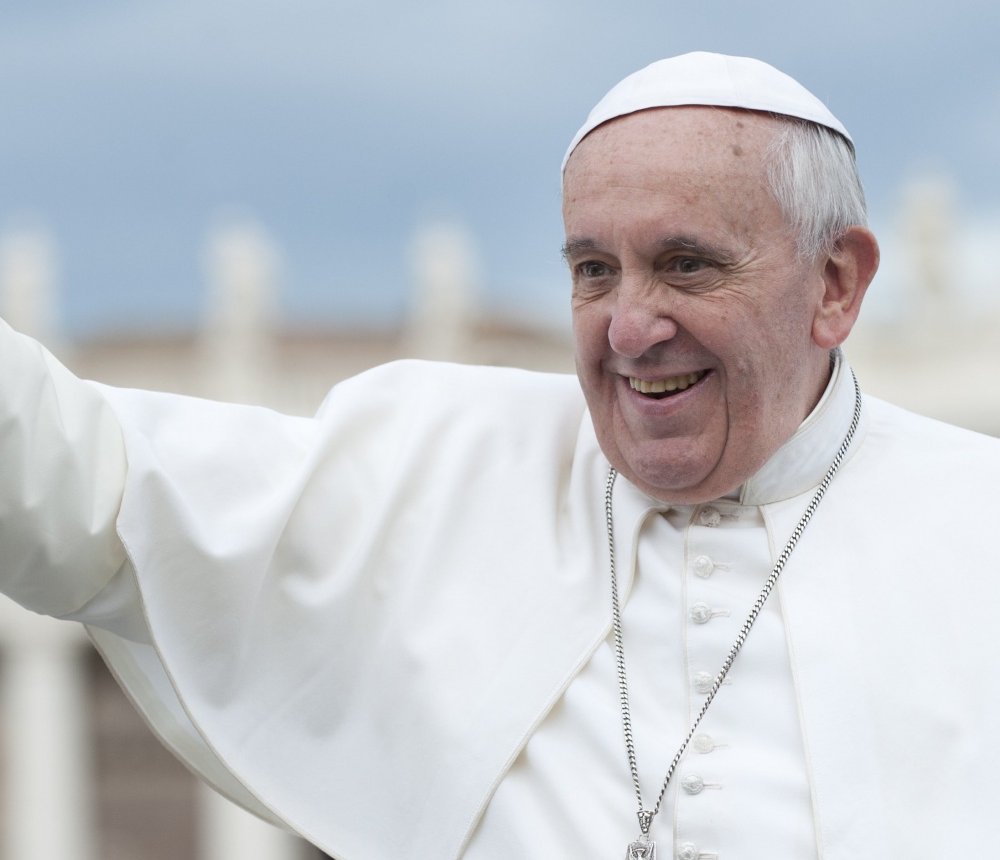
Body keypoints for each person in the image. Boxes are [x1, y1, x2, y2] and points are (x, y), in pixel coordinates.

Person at [1, 51, 998, 860]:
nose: (629, 327)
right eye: (592, 271)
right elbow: (90, 479)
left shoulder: (975, 530)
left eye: (685, 264)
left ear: (836, 282)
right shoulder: (445, 462)